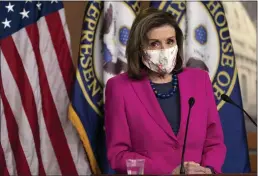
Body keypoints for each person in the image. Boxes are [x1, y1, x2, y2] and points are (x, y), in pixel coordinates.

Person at [104, 7, 226, 175]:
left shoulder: (200, 80)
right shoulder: (119, 88)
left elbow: (214, 142)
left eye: (170, 42)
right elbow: (118, 155)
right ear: (139, 49)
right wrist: (167, 172)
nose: (164, 50)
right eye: (154, 44)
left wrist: (208, 170)